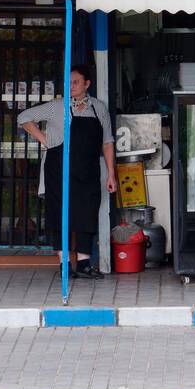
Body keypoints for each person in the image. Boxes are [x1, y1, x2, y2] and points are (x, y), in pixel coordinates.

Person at [18, 64, 116, 278]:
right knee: (59, 214)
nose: (71, 86)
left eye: (76, 82)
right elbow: (24, 117)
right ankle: (64, 265)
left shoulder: (99, 108)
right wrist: (45, 140)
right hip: (58, 168)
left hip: (88, 170)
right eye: (69, 82)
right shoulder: (57, 106)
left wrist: (111, 173)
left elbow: (107, 142)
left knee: (87, 213)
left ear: (87, 84)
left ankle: (83, 264)